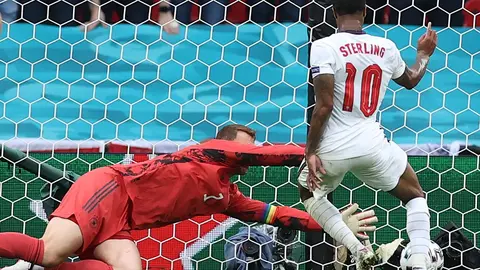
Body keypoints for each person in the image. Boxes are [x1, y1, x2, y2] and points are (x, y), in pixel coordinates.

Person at [0, 124, 378, 270]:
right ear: (224, 146)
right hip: (107, 189)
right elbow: (267, 155)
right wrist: (322, 151)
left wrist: (333, 224)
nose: (251, 153)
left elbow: (277, 214)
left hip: (123, 222)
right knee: (49, 251)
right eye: (246, 148)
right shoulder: (204, 152)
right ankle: (34, 262)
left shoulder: (226, 196)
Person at [297, 0, 438, 269]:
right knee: (415, 195)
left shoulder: (323, 46)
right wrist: (423, 54)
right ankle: (420, 257)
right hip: (372, 145)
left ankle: (357, 249)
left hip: (332, 149)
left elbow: (323, 105)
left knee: (308, 192)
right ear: (365, 12)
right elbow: (410, 80)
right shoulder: (386, 47)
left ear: (334, 12)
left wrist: (311, 151)